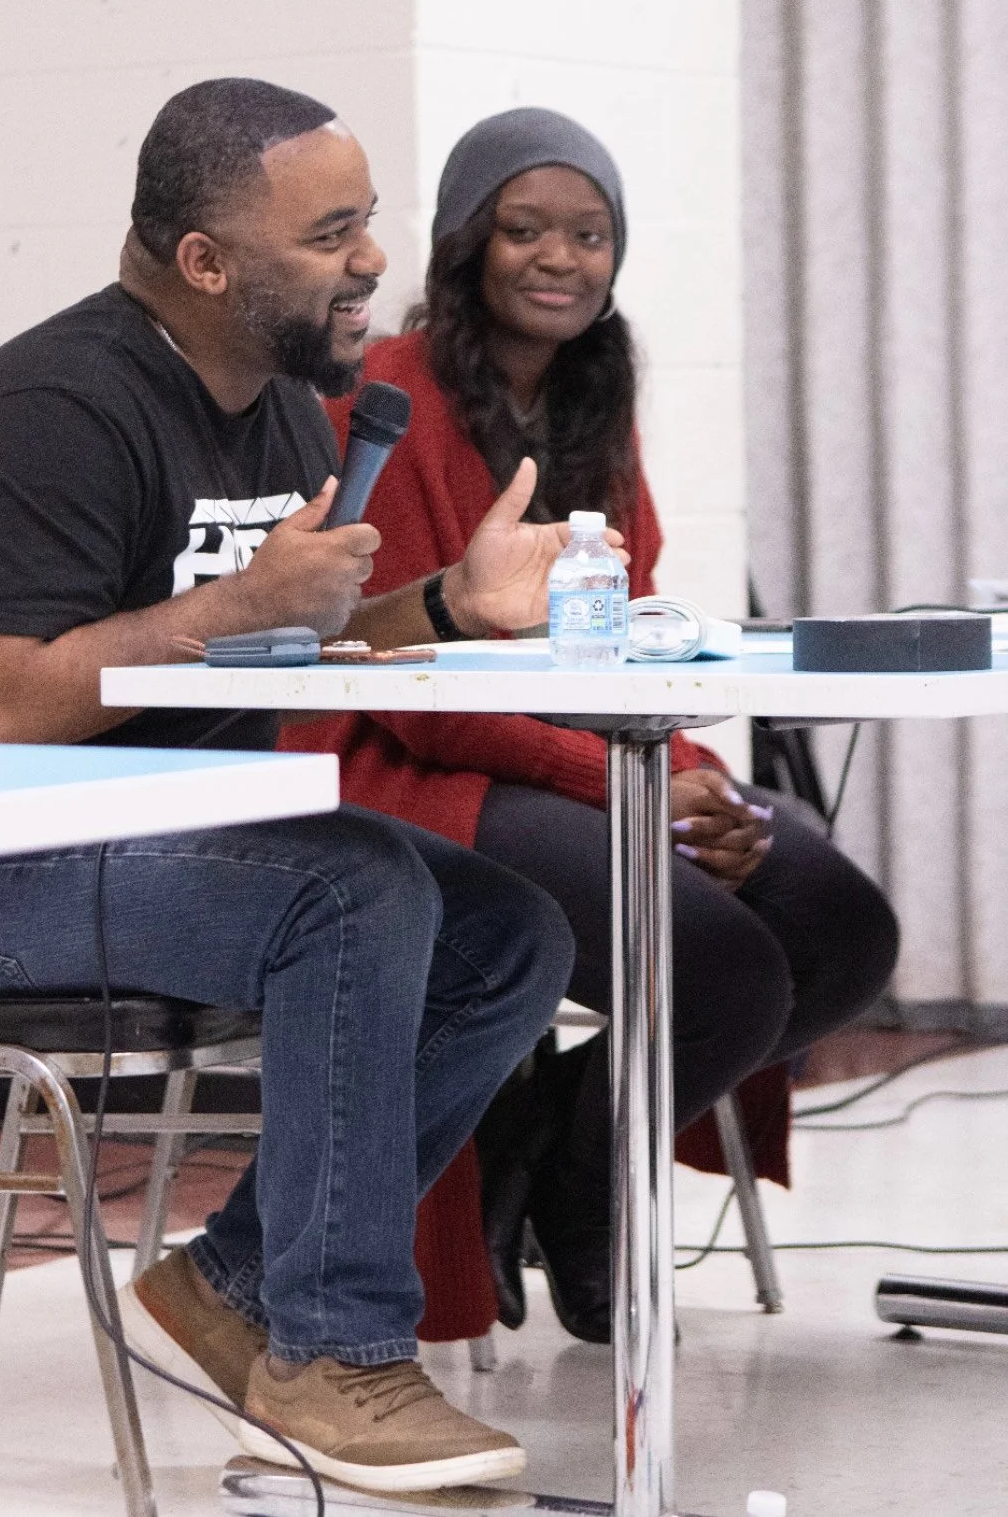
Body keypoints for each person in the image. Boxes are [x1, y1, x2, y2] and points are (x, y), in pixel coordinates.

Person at [0, 81, 581, 1493]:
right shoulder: (50, 405)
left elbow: (297, 625)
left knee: (510, 928)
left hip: (152, 847)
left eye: (366, 222)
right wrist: (231, 610)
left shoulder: (280, 405)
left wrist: (449, 609)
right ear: (206, 262)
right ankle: (332, 1354)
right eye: (330, 231)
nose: (369, 260)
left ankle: (234, 1285)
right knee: (352, 889)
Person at [281, 106, 900, 1344]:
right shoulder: (388, 402)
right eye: (526, 230)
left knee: (838, 925)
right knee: (721, 965)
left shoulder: (595, 404)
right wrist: (623, 781)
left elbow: (636, 637)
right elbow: (409, 679)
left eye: (590, 234)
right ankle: (589, 1187)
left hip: (575, 755)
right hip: (401, 768)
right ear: (467, 245)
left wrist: (687, 775)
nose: (561, 257)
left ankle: (545, 1139)